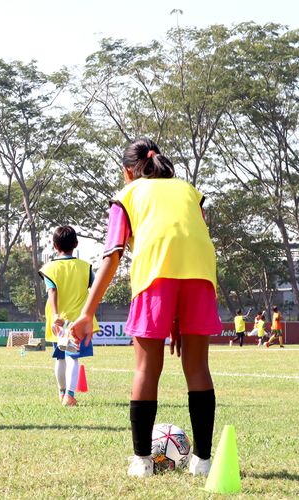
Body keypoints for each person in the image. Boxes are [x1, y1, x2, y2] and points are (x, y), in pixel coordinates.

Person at [70, 138, 220, 477]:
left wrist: (87, 313)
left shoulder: (127, 195)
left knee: (146, 370)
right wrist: (180, 318)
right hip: (201, 275)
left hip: (155, 277)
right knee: (197, 368)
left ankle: (141, 462)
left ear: (127, 171)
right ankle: (203, 462)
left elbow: (112, 256)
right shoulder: (190, 191)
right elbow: (190, 239)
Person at [39, 225, 97, 407]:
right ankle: (69, 396)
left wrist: (56, 314)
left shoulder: (50, 268)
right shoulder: (85, 267)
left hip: (60, 320)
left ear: (55, 246)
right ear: (76, 244)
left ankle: (61, 392)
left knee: (60, 357)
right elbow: (95, 289)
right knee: (73, 357)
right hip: (78, 319)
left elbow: (52, 291)